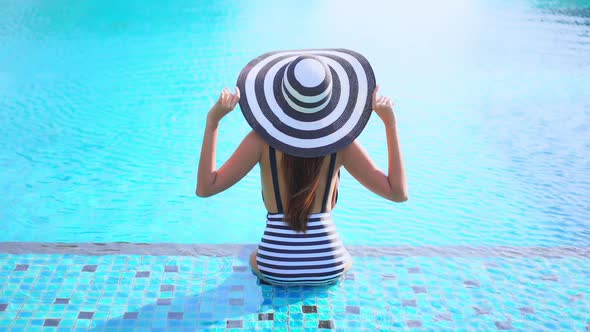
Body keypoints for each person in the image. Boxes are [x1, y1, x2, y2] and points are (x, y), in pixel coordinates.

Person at [197, 49, 407, 286]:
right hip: (330, 264)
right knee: (346, 260)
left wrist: (213, 121)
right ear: (330, 98)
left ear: (281, 96)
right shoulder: (342, 144)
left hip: (274, 265)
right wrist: (390, 123)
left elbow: (206, 187)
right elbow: (397, 193)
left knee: (251, 256)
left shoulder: (259, 141)